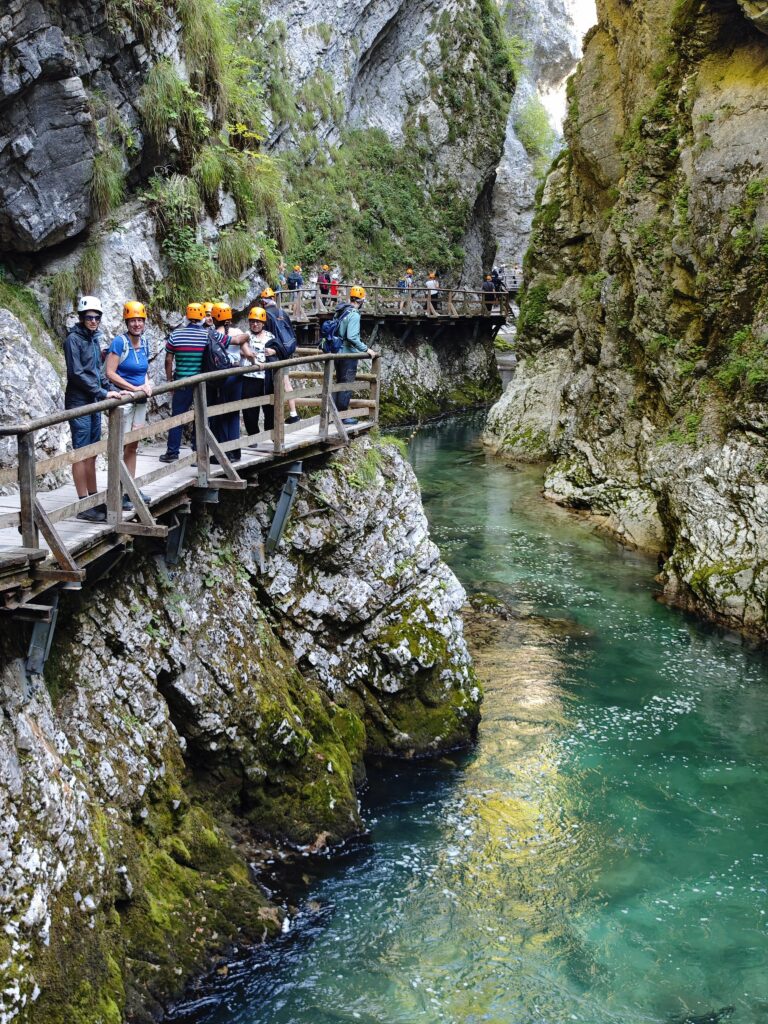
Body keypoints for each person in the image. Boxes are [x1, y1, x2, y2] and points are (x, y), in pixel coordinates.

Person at [64, 296, 125, 522]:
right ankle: (83, 504)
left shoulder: (93, 339)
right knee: (81, 451)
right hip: (79, 401)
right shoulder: (73, 340)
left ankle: (93, 499)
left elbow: (98, 371)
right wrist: (102, 393)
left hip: (94, 400)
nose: (93, 321)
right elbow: (76, 373)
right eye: (89, 317)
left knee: (92, 451)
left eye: (97, 317)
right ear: (81, 318)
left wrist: (112, 389)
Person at [104, 301, 153, 508]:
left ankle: (130, 488)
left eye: (139, 320)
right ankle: (117, 490)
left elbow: (144, 370)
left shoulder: (146, 343)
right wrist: (133, 389)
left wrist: (148, 384)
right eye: (132, 320)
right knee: (120, 444)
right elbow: (110, 372)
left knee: (133, 445)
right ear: (126, 321)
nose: (136, 324)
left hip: (140, 400)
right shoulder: (119, 343)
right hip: (125, 401)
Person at [159, 303, 209, 463]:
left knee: (177, 417)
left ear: (186, 317)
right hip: (201, 383)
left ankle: (172, 452)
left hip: (181, 382)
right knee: (201, 417)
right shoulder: (207, 335)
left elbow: (168, 359)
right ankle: (198, 452)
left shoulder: (176, 334)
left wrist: (169, 381)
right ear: (202, 318)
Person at [207, 302, 254, 462]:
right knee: (233, 414)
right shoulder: (238, 332)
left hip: (220, 377)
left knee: (219, 414)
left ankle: (223, 453)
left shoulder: (213, 334)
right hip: (237, 375)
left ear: (214, 318)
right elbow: (248, 354)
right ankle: (235, 452)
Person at [334, 285, 377, 425]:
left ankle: (333, 414)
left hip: (337, 352)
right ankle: (343, 416)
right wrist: (366, 349)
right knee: (346, 384)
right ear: (361, 300)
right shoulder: (354, 314)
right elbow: (352, 337)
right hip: (348, 355)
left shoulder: (342, 311)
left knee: (339, 382)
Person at [260, 287, 300, 424]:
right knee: (286, 382)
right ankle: (294, 414)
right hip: (285, 351)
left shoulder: (265, 315)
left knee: (273, 386)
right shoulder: (283, 312)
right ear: (273, 299)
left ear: (263, 302)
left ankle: (277, 418)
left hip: (272, 353)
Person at [241, 306, 274, 440]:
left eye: (258, 322)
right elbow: (237, 349)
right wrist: (245, 353)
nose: (255, 324)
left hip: (267, 377)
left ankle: (270, 433)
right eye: (252, 321)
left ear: (263, 323)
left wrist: (273, 351)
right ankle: (253, 436)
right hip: (250, 376)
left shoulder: (270, 336)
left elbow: (278, 349)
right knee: (250, 409)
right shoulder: (245, 335)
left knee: (270, 407)